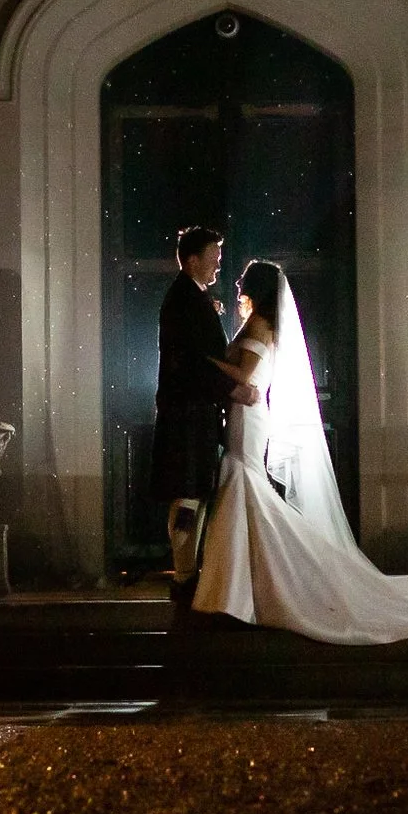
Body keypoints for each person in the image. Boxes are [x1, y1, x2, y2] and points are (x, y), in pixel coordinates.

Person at [194, 259, 408, 642]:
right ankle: (239, 586)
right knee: (243, 482)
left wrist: (204, 362)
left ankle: (242, 587)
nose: (236, 281)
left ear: (255, 286)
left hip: (248, 416)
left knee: (244, 480)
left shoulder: (260, 325)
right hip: (246, 414)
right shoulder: (260, 323)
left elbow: (246, 376)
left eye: (242, 278)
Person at [153, 226, 260, 583]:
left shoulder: (191, 297)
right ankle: (184, 574)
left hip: (194, 415)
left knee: (193, 492)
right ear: (193, 260)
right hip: (188, 416)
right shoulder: (185, 300)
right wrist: (233, 388)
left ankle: (188, 571)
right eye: (213, 258)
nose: (218, 265)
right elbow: (191, 362)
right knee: (187, 494)